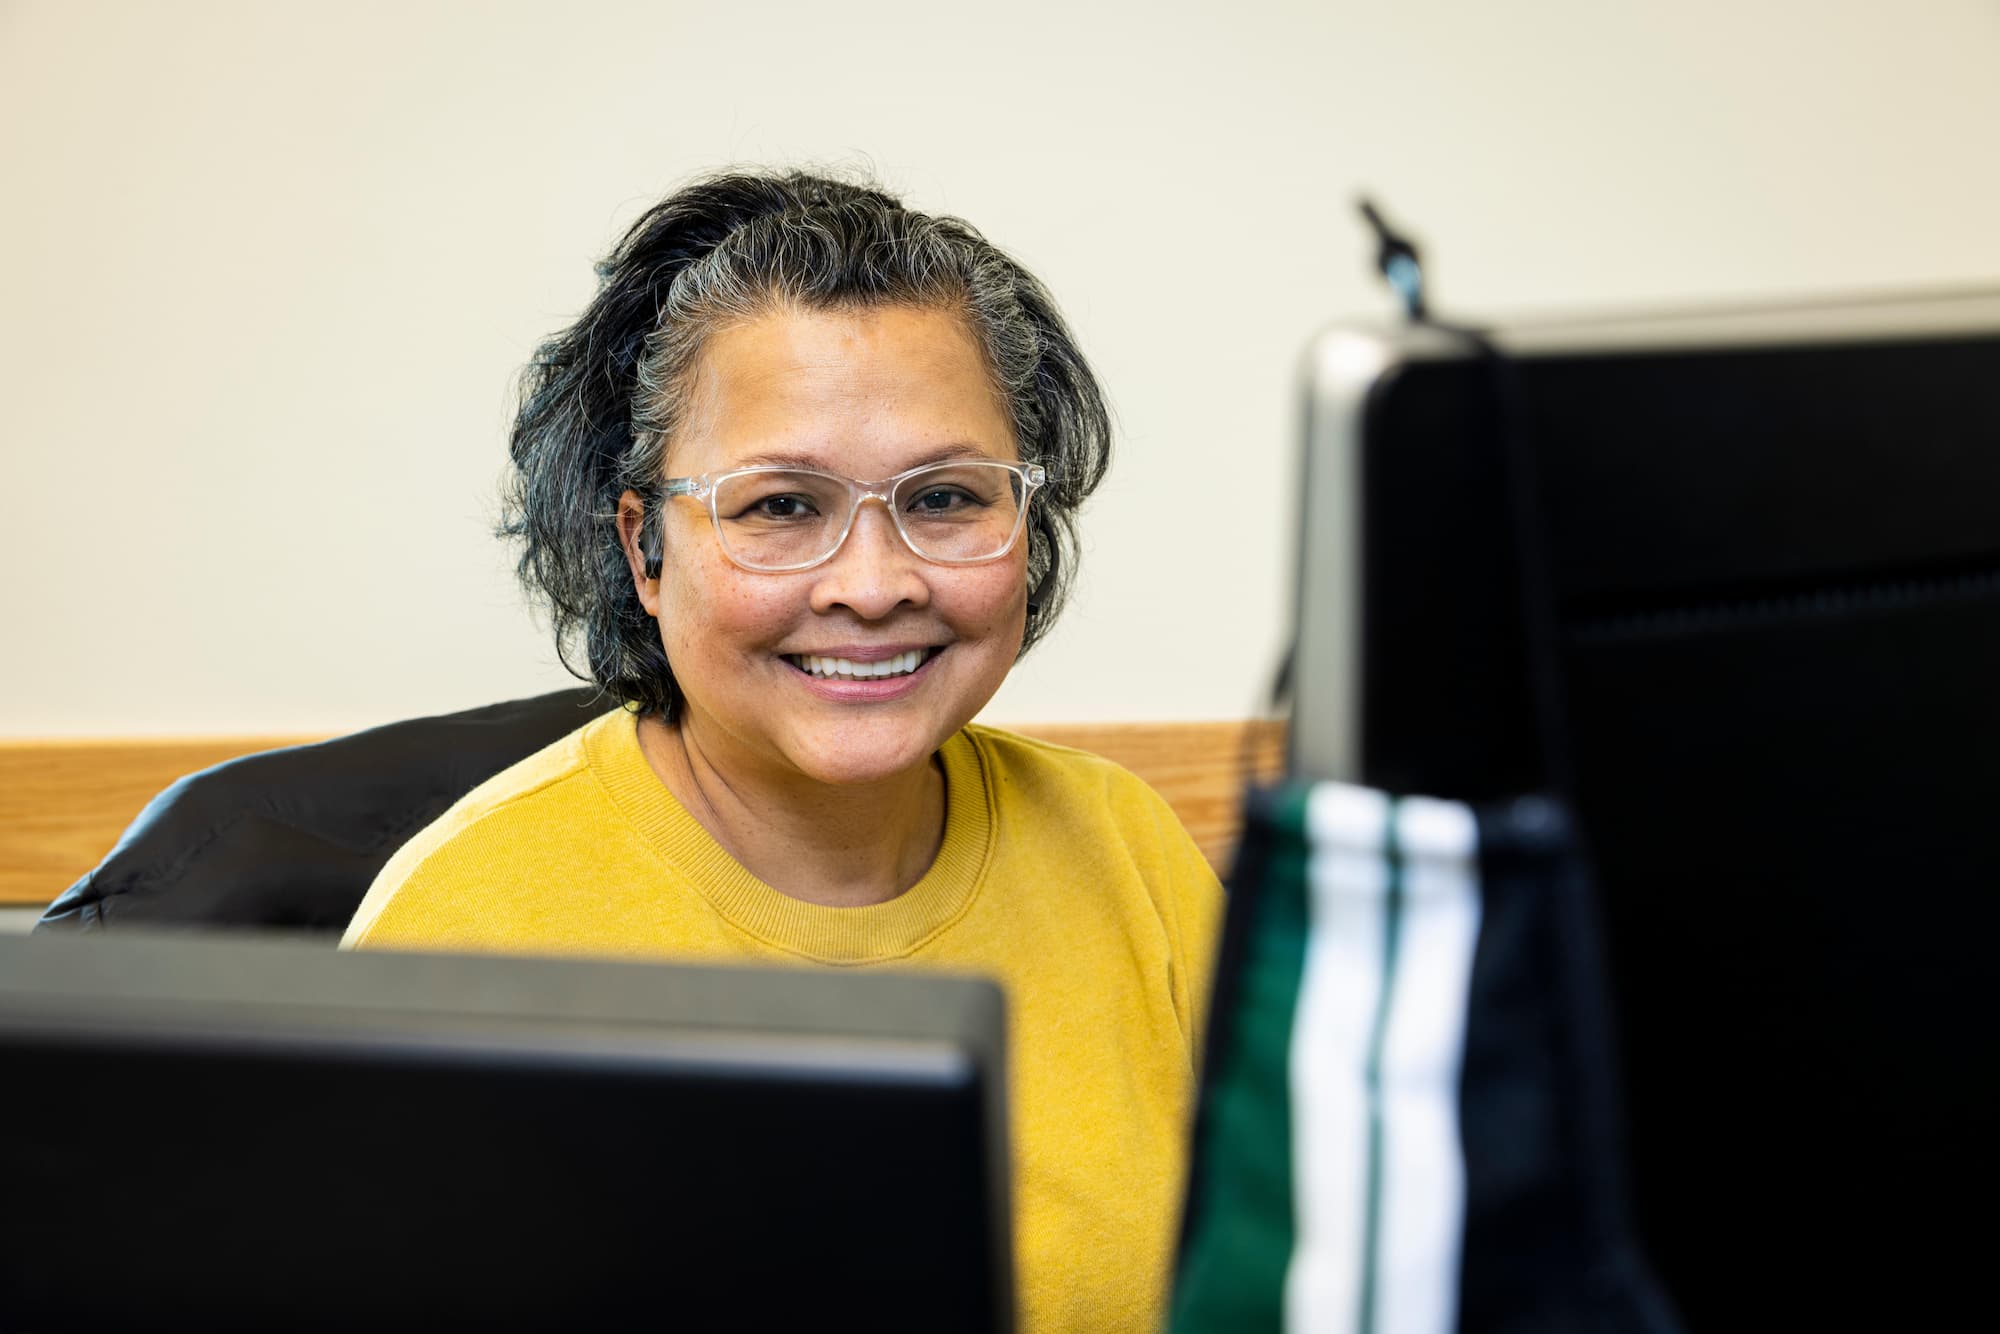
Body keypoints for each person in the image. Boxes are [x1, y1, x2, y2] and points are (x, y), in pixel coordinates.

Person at [342, 169, 1223, 1331]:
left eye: (947, 495)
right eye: (778, 507)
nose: (873, 584)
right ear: (644, 548)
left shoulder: (1128, 851)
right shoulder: (454, 925)